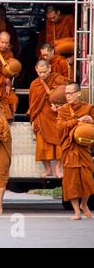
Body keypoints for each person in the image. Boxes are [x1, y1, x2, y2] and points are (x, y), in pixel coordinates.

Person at [57, 82, 94, 220]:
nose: (67, 96)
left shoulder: (88, 108)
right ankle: (76, 211)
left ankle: (84, 204)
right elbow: (60, 127)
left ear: (78, 93)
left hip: (84, 149)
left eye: (70, 93)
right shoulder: (63, 110)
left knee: (87, 180)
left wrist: (91, 120)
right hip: (70, 149)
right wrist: (76, 121)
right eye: (66, 93)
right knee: (71, 181)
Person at [28, 60, 67, 178]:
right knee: (42, 144)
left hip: (56, 115)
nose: (42, 75)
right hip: (41, 116)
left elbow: (67, 90)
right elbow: (33, 103)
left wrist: (59, 104)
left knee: (59, 140)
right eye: (40, 72)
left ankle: (58, 167)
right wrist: (32, 118)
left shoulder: (57, 79)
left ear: (49, 68)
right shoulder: (34, 84)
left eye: (44, 72)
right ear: (36, 70)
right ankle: (48, 169)